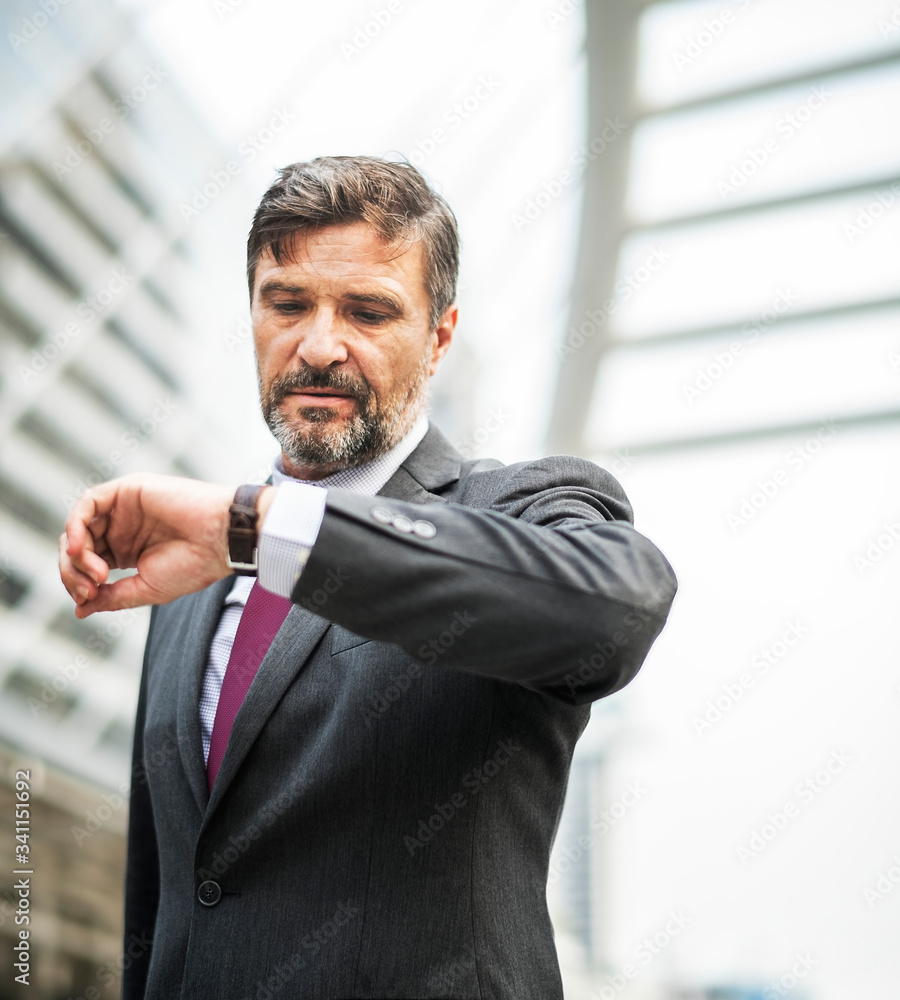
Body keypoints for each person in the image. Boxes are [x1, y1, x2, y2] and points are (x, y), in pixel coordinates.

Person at [59, 156, 676, 1000]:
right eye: (287, 304)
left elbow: (613, 609)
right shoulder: (187, 586)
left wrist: (258, 528)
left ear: (439, 336)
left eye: (368, 311)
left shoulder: (517, 507)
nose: (319, 346)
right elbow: (163, 904)